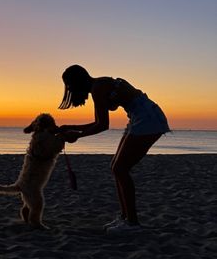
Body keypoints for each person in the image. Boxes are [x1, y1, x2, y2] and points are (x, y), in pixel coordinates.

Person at [57, 64, 170, 234]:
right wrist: (72, 127)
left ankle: (132, 223)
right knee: (116, 168)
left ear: (76, 82)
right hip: (141, 116)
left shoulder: (98, 88)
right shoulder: (100, 85)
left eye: (69, 85)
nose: (69, 89)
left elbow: (103, 125)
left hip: (147, 118)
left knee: (120, 169)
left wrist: (77, 135)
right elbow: (98, 122)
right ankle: (126, 218)